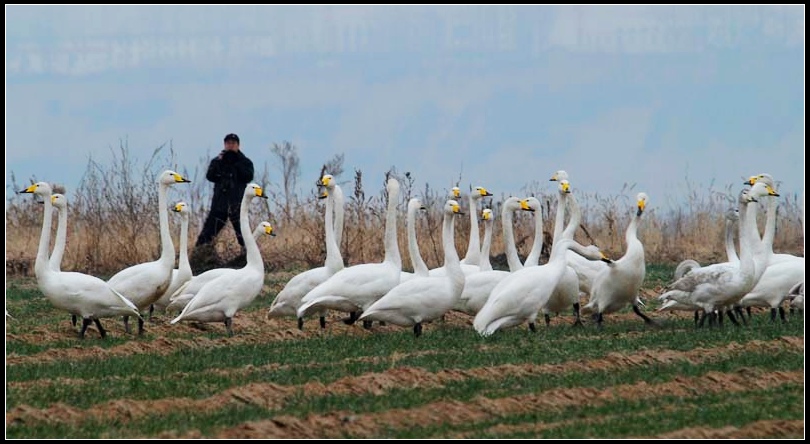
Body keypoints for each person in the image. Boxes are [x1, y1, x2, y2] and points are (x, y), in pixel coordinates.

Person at [192, 133, 255, 271]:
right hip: (219, 205)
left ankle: (251, 259)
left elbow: (248, 176)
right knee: (207, 233)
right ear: (224, 144)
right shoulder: (218, 161)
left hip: (237, 204)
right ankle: (198, 258)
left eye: (233, 143)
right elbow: (210, 176)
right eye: (228, 143)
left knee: (243, 233)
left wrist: (235, 163)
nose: (230, 145)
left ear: (238, 145)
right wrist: (221, 162)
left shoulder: (245, 162)